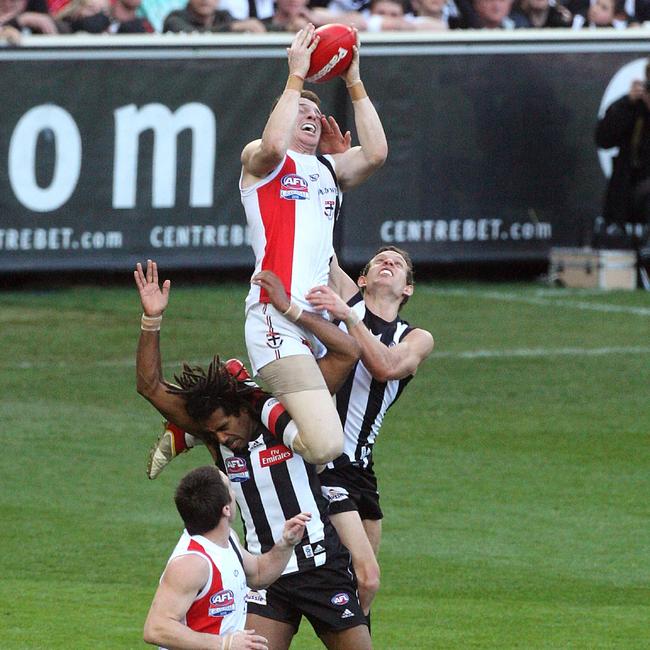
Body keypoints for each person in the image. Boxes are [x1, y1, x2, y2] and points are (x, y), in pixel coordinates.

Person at [135, 260, 372, 650]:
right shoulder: (218, 437)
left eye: (224, 427)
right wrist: (151, 319)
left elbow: (348, 352)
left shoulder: (292, 413)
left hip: (320, 566)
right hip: (265, 575)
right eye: (211, 434)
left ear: (241, 408)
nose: (221, 438)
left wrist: (289, 309)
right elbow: (149, 386)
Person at [239, 25, 387, 469]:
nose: (307, 112)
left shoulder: (328, 168)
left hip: (318, 323)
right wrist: (296, 78)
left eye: (313, 110)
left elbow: (377, 153)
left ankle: (243, 443)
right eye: (299, 107)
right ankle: (246, 397)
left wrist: (353, 79)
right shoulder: (262, 163)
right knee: (324, 447)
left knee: (314, 461)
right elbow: (270, 142)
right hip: (276, 316)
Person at [143, 465, 310, 650]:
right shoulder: (192, 563)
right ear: (226, 509)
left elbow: (259, 575)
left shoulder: (228, 539)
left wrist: (286, 544)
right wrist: (223, 643)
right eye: (231, 487)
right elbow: (156, 628)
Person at [163, 0, 265, 32]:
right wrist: (232, 28)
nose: (205, 0)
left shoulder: (224, 17)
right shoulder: (175, 19)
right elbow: (195, 37)